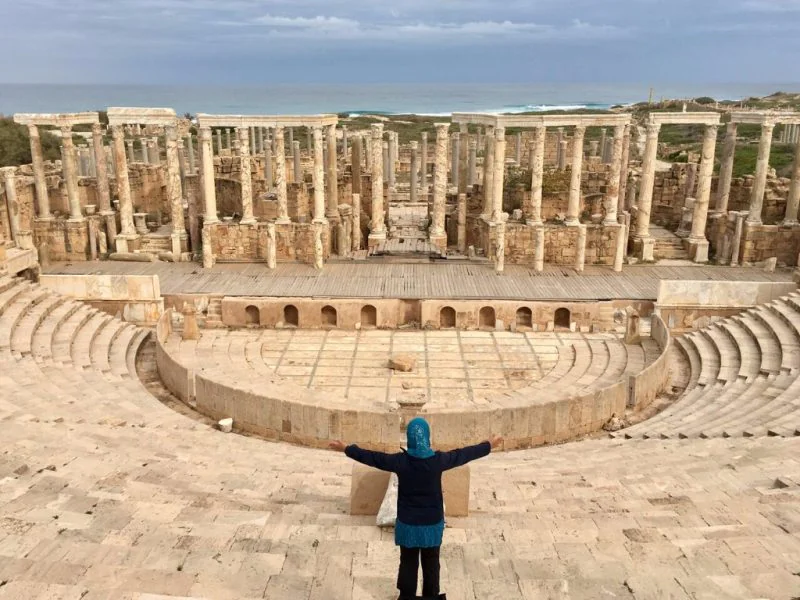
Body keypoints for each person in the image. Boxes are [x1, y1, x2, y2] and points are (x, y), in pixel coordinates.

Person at [330, 417, 502, 600]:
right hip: (431, 524)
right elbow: (464, 454)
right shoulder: (438, 461)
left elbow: (373, 458)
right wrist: (488, 445)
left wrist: (347, 449)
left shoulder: (400, 462)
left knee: (408, 562)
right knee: (431, 563)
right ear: (427, 437)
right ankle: (430, 596)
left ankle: (407, 596)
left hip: (408, 524)